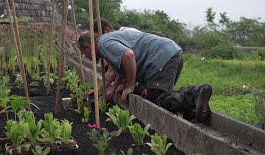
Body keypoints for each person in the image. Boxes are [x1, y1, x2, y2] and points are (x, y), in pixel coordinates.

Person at [78, 19, 212, 123]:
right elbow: (119, 70)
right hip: (169, 53)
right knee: (161, 95)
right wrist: (104, 91)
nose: (85, 56)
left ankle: (195, 93)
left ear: (88, 47)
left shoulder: (103, 43)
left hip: (161, 57)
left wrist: (130, 86)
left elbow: (128, 55)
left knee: (157, 100)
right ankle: (194, 109)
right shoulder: (109, 39)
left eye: (83, 52)